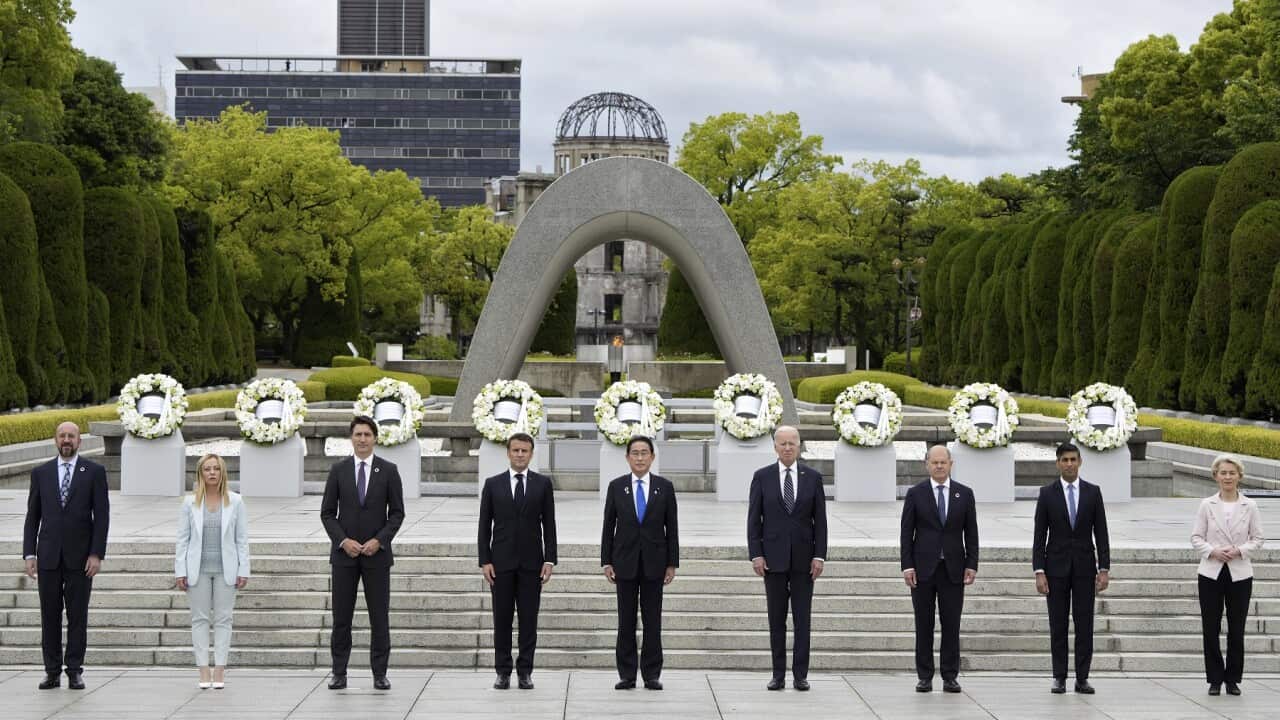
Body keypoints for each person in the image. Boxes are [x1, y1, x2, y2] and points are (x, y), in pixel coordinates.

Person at [320, 415, 405, 691]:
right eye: (358, 434)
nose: (363, 439)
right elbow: (328, 513)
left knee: (379, 617)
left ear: (375, 438)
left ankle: (380, 673)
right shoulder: (339, 470)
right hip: (345, 557)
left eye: (367, 434)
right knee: (341, 618)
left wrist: (379, 541)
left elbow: (397, 514)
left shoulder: (389, 471)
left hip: (376, 557)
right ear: (351, 438)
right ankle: (339, 672)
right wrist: (343, 540)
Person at [23, 422, 109, 691]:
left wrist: (96, 553)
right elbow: (32, 516)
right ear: (56, 440)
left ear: (79, 441)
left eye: (71, 436)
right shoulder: (41, 473)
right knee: (49, 616)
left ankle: (74, 671)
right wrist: (29, 553)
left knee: (77, 616)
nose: (67, 440)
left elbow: (102, 517)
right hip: (48, 557)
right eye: (62, 436)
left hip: (80, 558)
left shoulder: (94, 472)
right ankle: (51, 671)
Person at [747, 425, 827, 692]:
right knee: (776, 620)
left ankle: (800, 675)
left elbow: (821, 522)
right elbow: (754, 520)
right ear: (775, 447)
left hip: (805, 562)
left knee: (802, 620)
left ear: (799, 445)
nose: (788, 447)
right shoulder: (762, 477)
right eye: (782, 443)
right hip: (773, 560)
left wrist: (819, 556)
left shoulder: (813, 477)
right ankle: (778, 674)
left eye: (792, 443)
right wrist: (756, 554)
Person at [479, 432, 558, 690]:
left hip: (531, 565)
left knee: (528, 621)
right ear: (508, 453)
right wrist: (484, 560)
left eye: (525, 451)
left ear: (531, 454)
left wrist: (550, 560)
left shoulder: (542, 484)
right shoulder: (493, 484)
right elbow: (484, 526)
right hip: (500, 565)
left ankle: (525, 671)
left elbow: (549, 524)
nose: (520, 455)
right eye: (516, 450)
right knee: (501, 620)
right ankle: (503, 671)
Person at [1032, 442, 1110, 695]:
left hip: (1085, 568)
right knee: (1058, 625)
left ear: (1079, 462)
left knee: (1084, 624)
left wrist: (1104, 568)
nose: (1069, 464)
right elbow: (1039, 536)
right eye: (1064, 460)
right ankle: (1059, 677)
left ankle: (1082, 678)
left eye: (1073, 459)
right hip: (1055, 569)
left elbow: (1102, 533)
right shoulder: (1047, 494)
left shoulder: (1093, 492)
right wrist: (1039, 571)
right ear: (1057, 463)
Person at [602, 436, 679, 690]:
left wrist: (671, 563)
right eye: (634, 453)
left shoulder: (664, 487)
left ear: (652, 457)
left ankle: (651, 674)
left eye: (644, 453)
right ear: (627, 458)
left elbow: (672, 529)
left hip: (655, 564)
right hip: (624, 563)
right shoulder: (616, 487)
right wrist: (606, 561)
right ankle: (626, 674)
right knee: (625, 621)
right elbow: (608, 526)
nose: (639, 458)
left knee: (652, 621)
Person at [900, 444, 978, 694]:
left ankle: (950, 675)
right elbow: (906, 533)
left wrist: (972, 564)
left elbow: (972, 533)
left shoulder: (964, 494)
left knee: (951, 624)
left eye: (943, 462)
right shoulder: (916, 494)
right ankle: (924, 676)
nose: (939, 466)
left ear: (951, 464)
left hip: (953, 569)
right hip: (923, 570)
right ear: (927, 465)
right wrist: (907, 566)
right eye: (934, 462)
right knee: (924, 624)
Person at [174, 453, 250, 689]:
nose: (212, 473)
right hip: (198, 570)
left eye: (216, 468)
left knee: (224, 619)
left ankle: (219, 670)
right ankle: (203, 670)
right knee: (199, 619)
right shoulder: (189, 503)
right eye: (207, 469)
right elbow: (183, 539)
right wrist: (180, 570)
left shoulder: (236, 501)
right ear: (200, 473)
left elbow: (241, 539)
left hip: (227, 569)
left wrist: (244, 569)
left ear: (222, 472)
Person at [1192, 454, 1265, 697]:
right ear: (1215, 476)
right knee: (1210, 627)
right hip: (1211, 573)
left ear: (1239, 476)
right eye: (1223, 473)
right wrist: (1212, 551)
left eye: (1232, 473)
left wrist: (1240, 551)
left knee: (1237, 628)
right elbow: (1196, 537)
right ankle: (1214, 678)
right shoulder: (1206, 504)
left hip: (1240, 574)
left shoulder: (1250, 505)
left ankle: (1233, 679)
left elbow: (1258, 539)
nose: (1227, 477)